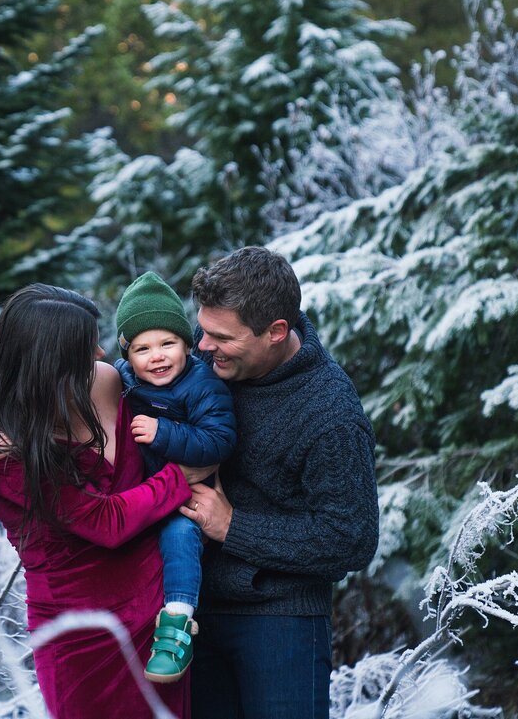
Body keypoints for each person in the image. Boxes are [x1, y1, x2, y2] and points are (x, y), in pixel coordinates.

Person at [0, 284, 214, 719]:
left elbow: (186, 390)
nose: (100, 354)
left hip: (159, 622)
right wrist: (182, 476)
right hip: (81, 637)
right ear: (47, 364)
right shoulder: (5, 450)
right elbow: (105, 522)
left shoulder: (109, 382)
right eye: (84, 349)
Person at [180, 246, 379, 719]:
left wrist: (233, 527)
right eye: (201, 330)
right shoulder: (209, 354)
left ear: (276, 333)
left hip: (280, 619)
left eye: (220, 337)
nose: (202, 346)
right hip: (190, 607)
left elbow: (351, 539)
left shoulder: (330, 415)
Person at [112, 271, 236, 683]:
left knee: (179, 535)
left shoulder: (202, 384)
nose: (157, 356)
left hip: (183, 497)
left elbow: (219, 440)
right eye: (143, 348)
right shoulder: (122, 381)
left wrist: (164, 431)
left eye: (168, 343)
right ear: (127, 356)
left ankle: (179, 623)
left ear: (187, 344)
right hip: (141, 494)